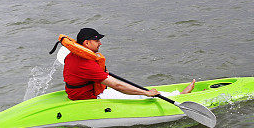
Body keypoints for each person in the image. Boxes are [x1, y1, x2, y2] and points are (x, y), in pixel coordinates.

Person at [63, 28, 195, 100]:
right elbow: (118, 85)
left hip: (79, 92)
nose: (100, 43)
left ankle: (174, 94)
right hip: (91, 97)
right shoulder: (86, 64)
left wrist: (101, 74)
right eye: (97, 41)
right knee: (141, 95)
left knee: (138, 90)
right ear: (86, 43)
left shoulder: (72, 56)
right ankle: (180, 97)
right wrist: (146, 93)